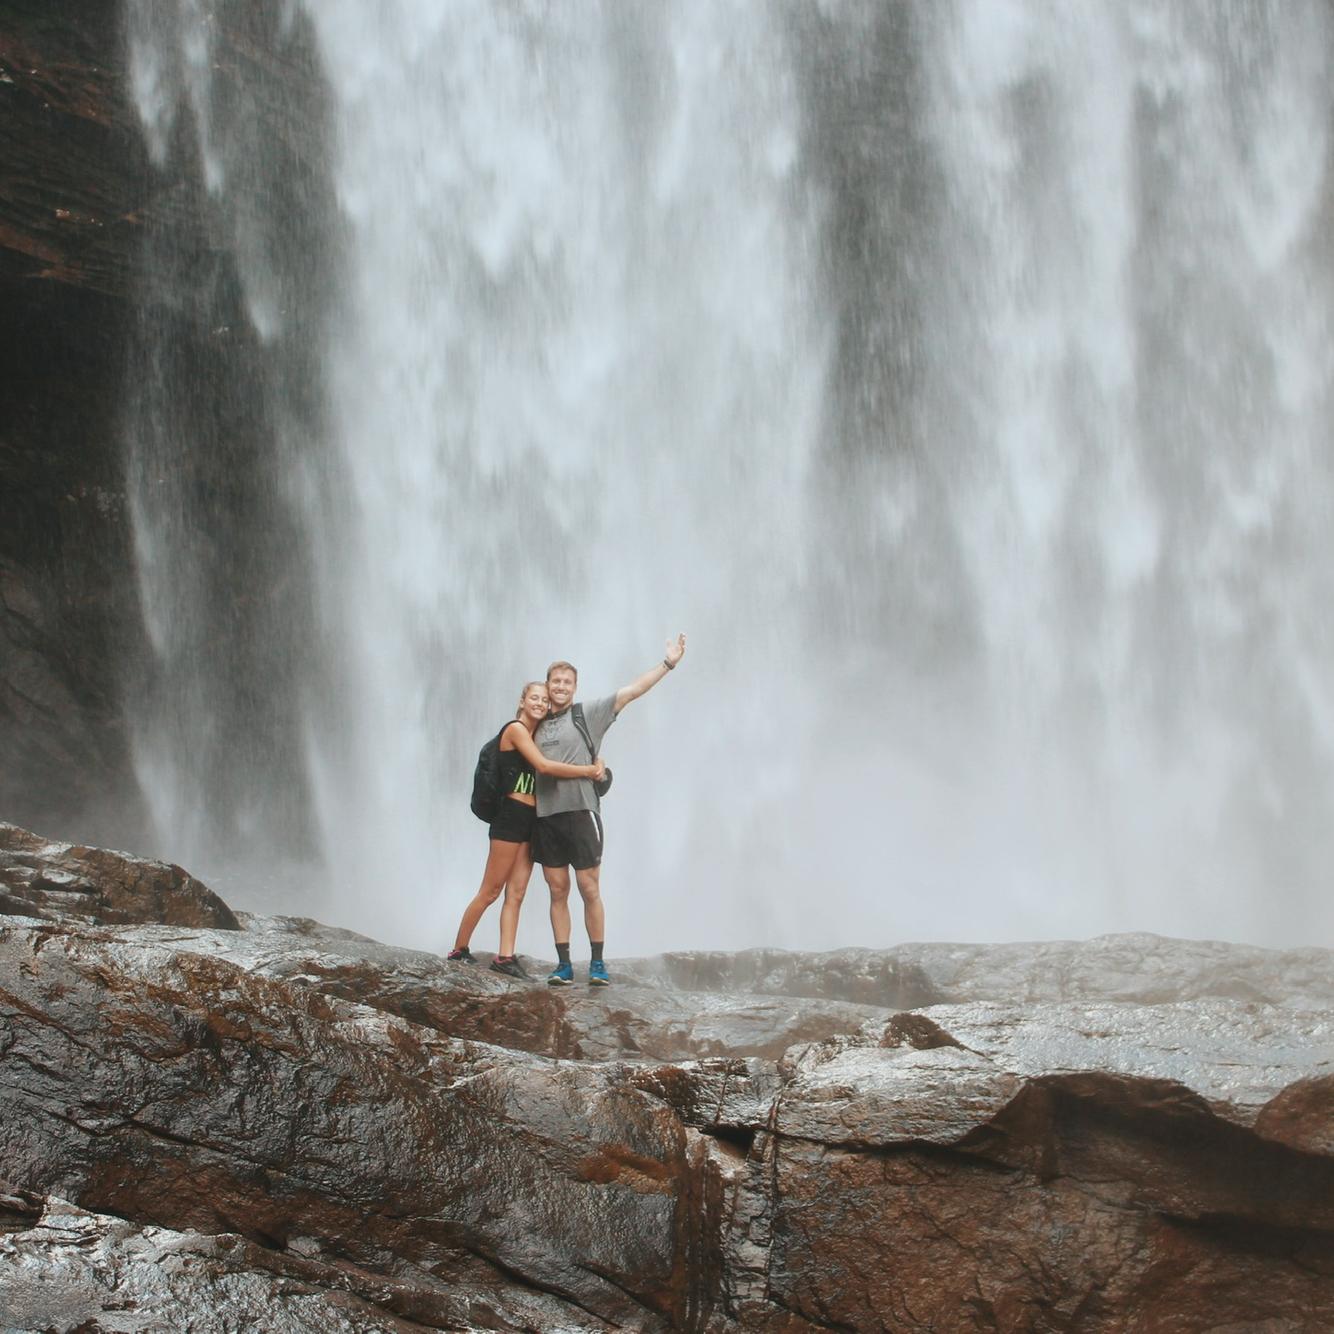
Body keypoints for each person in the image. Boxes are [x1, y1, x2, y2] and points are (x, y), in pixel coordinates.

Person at [534, 633, 686, 987]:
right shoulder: (534, 722)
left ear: (575, 686)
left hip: (583, 813)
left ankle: (598, 963)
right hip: (546, 817)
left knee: (589, 888)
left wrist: (668, 664)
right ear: (547, 684)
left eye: (567, 681)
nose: (560, 686)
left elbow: (631, 691)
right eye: (555, 680)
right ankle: (564, 965)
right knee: (557, 891)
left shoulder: (589, 713)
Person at [447, 681, 604, 978]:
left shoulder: (539, 736)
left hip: (533, 817)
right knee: (491, 890)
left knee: (516, 893)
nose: (541, 704)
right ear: (522, 701)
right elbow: (544, 767)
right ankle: (459, 948)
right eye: (535, 698)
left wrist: (598, 763)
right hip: (510, 817)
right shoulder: (516, 730)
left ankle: (505, 957)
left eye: (545, 700)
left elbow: (573, 752)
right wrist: (586, 772)